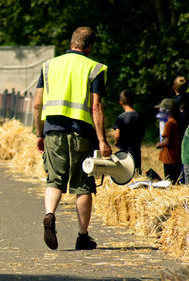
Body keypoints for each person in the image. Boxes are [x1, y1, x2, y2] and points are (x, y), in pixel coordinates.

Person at [33, 27, 111, 250]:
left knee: (54, 180)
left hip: (53, 132)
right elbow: (95, 106)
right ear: (89, 46)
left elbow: (37, 104)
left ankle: (49, 214)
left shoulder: (49, 66)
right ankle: (82, 236)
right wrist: (102, 140)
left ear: (71, 42)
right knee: (82, 185)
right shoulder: (94, 68)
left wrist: (40, 133)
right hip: (81, 134)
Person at [113, 89, 145, 175]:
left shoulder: (121, 117)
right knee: (136, 168)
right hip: (136, 149)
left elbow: (117, 134)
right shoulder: (138, 115)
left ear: (121, 102)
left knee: (125, 169)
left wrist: (116, 142)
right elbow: (142, 132)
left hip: (124, 150)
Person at [155, 98, 183, 184]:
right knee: (176, 180)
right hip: (176, 157)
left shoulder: (169, 124)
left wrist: (159, 144)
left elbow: (167, 141)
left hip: (169, 158)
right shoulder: (176, 122)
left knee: (169, 181)